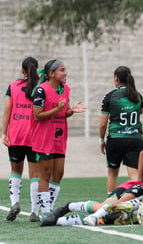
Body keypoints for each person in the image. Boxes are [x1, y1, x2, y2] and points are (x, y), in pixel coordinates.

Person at [32, 59, 87, 219]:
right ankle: (46, 212)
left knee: (59, 174)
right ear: (51, 74)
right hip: (44, 138)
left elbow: (64, 112)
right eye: (62, 70)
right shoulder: (41, 90)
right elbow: (37, 115)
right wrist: (57, 109)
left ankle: (50, 207)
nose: (66, 73)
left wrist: (71, 111)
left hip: (59, 138)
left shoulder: (65, 89)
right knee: (46, 174)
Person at [2, 57, 40, 222]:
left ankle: (15, 202)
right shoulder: (41, 88)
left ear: (23, 71)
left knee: (16, 171)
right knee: (35, 175)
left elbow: (7, 111)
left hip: (16, 135)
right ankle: (34, 212)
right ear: (36, 69)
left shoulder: (12, 86)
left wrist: (4, 133)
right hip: (35, 136)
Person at [99, 66, 143, 193]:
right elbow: (140, 111)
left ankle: (109, 205)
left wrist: (101, 140)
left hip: (116, 139)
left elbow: (103, 123)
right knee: (135, 174)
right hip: (135, 139)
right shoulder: (138, 95)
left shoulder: (109, 96)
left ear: (116, 78)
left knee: (112, 174)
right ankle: (136, 201)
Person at [40, 178, 143, 226]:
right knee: (108, 209)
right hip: (137, 187)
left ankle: (58, 221)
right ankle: (69, 206)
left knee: (108, 220)